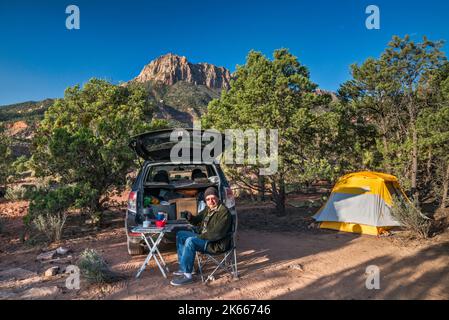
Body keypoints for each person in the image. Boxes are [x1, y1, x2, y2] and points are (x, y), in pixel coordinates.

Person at [171, 187, 232, 286]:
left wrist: (199, 237)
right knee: (180, 234)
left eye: (213, 198)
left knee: (191, 241)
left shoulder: (224, 212)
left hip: (215, 243)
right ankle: (184, 268)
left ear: (218, 198)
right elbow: (197, 220)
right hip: (205, 237)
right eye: (208, 199)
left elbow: (217, 233)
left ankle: (187, 276)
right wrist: (190, 217)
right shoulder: (208, 209)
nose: (211, 201)